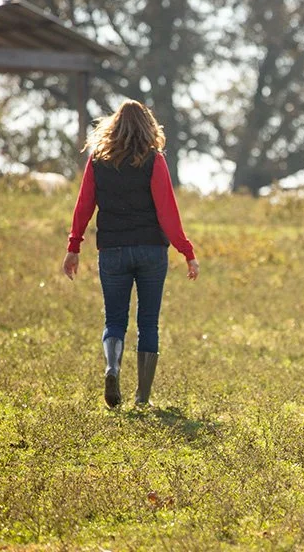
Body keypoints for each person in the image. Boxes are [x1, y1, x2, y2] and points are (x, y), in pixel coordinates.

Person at [62, 100, 199, 408]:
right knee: (148, 322)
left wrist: (74, 247)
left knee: (114, 319)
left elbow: (84, 205)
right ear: (147, 126)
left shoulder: (97, 160)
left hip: (112, 250)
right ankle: (142, 397)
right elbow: (167, 211)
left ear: (113, 125)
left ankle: (112, 367)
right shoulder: (154, 159)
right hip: (151, 249)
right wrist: (186, 251)